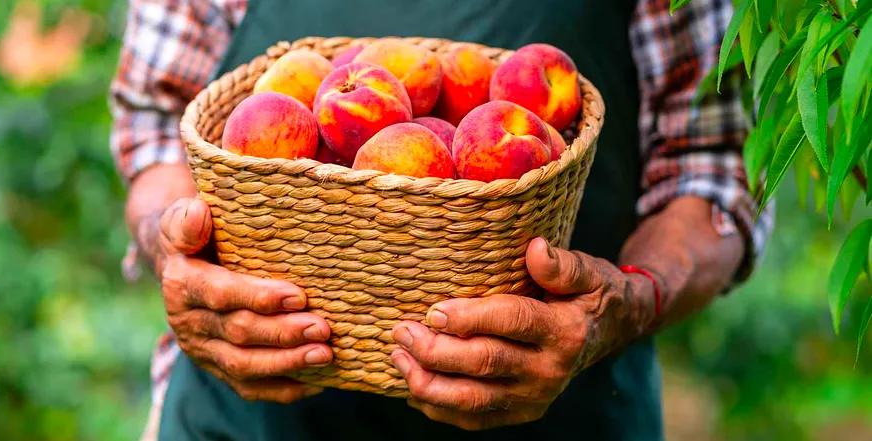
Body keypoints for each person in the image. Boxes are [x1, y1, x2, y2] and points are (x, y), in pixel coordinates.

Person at [111, 0, 772, 439]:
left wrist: (628, 298)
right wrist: (176, 252)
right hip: (242, 420)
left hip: (572, 414)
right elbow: (154, 132)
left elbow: (711, 165)